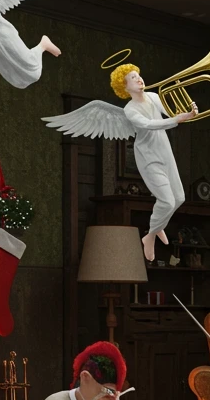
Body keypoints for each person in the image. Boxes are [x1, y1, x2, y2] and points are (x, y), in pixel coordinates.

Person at [40, 58, 198, 261]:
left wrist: (189, 113)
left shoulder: (153, 96)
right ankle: (150, 235)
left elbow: (171, 112)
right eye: (133, 77)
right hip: (148, 156)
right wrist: (177, 119)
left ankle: (158, 226)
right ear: (125, 86)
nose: (139, 79)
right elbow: (149, 124)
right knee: (167, 201)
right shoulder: (129, 110)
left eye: (139, 75)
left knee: (179, 198)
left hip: (164, 150)